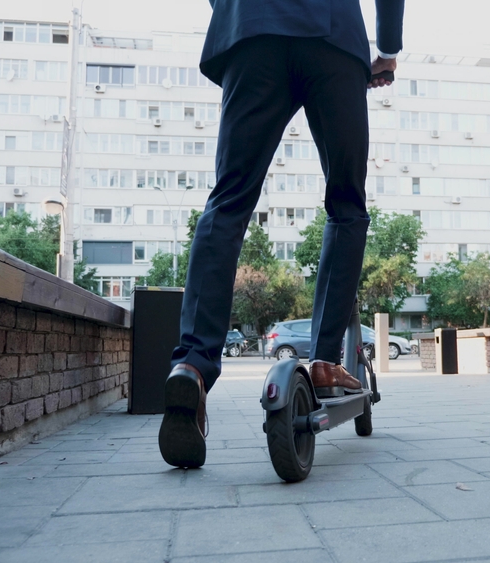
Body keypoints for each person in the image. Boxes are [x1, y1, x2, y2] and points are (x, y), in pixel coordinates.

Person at [158, 0, 405, 468]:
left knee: (228, 201)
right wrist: (388, 48)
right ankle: (328, 361)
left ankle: (191, 363)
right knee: (346, 206)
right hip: (333, 39)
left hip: (252, 33)